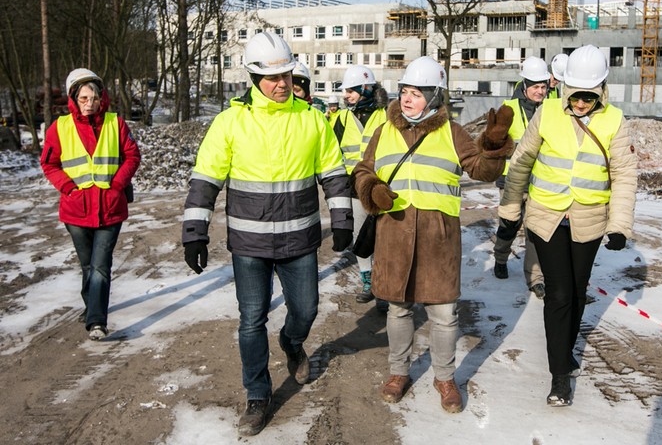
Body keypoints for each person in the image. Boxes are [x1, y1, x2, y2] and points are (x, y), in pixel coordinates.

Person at [181, 32, 352, 436]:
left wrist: (343, 221)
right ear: (254, 78)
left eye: (287, 75)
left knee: (306, 311)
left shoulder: (310, 119)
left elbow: (333, 173)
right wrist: (194, 232)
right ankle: (257, 395)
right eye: (273, 77)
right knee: (250, 320)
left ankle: (292, 344)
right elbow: (205, 180)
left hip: (299, 241)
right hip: (249, 245)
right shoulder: (230, 122)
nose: (283, 84)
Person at [353, 56, 513, 413]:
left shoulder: (452, 132)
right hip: (394, 235)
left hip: (438, 240)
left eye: (417, 93)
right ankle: (399, 373)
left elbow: (482, 171)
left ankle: (444, 377)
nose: (408, 99)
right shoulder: (384, 130)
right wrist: (372, 191)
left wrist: (493, 145)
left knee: (443, 315)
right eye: (405, 92)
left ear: (435, 96)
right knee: (398, 310)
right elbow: (363, 170)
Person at [499, 44, 637, 407]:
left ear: (601, 89)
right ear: (565, 87)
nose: (579, 103)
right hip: (546, 218)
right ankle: (559, 375)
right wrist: (510, 212)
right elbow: (521, 165)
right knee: (559, 294)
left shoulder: (614, 120)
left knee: (577, 292)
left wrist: (619, 226)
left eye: (588, 97)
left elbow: (624, 175)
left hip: (589, 221)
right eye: (575, 95)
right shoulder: (546, 113)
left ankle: (564, 350)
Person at [40, 68, 141, 341]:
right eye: (84, 98)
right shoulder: (59, 128)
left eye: (94, 98)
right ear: (74, 98)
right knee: (87, 266)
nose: (89, 103)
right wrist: (69, 188)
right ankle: (91, 306)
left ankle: (96, 321)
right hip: (76, 211)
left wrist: (117, 185)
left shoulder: (115, 123)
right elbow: (48, 163)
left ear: (101, 98)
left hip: (110, 208)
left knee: (99, 266)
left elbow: (132, 156)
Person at [330, 65, 389, 304]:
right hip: (354, 187)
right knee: (361, 236)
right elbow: (331, 153)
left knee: (385, 237)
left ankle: (385, 286)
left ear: (366, 89)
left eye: (352, 90)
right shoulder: (341, 119)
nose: (347, 95)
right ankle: (369, 282)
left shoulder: (386, 115)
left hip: (382, 186)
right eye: (346, 91)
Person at [493, 56, 548, 299]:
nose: (540, 91)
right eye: (535, 86)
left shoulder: (551, 109)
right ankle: (501, 257)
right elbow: (494, 143)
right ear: (524, 85)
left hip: (540, 181)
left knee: (535, 229)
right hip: (512, 179)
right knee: (509, 225)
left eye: (544, 86)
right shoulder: (508, 109)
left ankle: (535, 278)